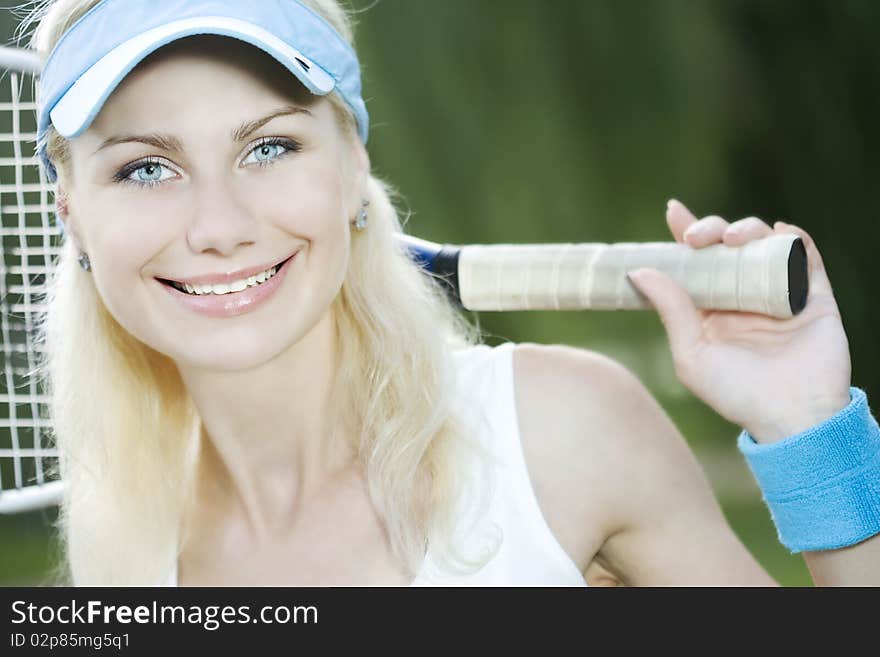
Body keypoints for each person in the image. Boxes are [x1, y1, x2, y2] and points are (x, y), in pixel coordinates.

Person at [24, 0, 879, 586]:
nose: (219, 224)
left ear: (354, 164)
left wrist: (810, 429)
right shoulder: (131, 562)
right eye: (146, 167)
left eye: (270, 148)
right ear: (72, 214)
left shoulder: (556, 434)